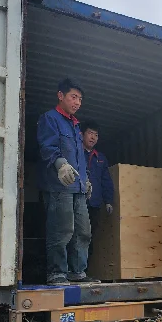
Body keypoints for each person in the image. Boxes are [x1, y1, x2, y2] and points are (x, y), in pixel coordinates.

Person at [36, 78, 99, 285]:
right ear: (60, 96)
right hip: (59, 186)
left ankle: (77, 272)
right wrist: (61, 164)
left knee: (83, 232)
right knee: (61, 230)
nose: (77, 102)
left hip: (78, 187)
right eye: (74, 97)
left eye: (80, 99)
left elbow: (80, 157)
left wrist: (86, 180)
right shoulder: (50, 118)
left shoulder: (75, 125)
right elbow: (48, 147)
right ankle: (57, 273)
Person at [80, 120, 114, 260]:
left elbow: (106, 181)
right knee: (77, 234)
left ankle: (85, 268)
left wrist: (108, 201)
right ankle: (73, 269)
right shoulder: (75, 153)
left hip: (94, 204)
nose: (93, 137)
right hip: (78, 202)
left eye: (96, 135)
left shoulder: (101, 158)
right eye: (90, 133)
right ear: (82, 134)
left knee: (90, 235)